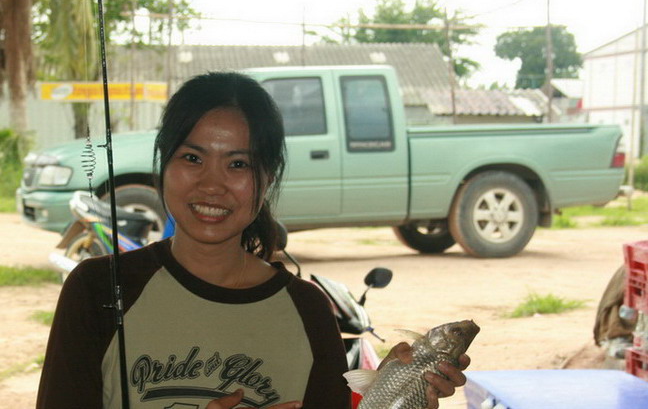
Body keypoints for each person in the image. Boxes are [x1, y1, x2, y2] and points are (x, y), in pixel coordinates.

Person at [36, 71, 469, 409]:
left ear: (268, 179)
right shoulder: (98, 289)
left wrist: (394, 392)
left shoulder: (309, 311)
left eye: (238, 164)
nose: (212, 184)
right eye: (192, 157)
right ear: (163, 163)